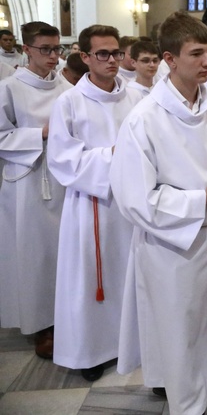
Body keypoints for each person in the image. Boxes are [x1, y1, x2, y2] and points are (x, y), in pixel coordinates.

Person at [112, 11, 207, 415]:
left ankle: (190, 394)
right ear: (169, 58)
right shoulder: (145, 119)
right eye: (197, 54)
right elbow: (134, 197)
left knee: (197, 329)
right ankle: (188, 407)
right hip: (170, 242)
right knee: (176, 329)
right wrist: (200, 199)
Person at [47, 24, 143, 381]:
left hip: (131, 204)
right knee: (89, 280)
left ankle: (128, 342)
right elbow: (62, 159)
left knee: (129, 274)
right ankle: (90, 351)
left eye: (116, 53)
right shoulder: (69, 102)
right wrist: (113, 156)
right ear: (84, 57)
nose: (111, 60)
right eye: (102, 53)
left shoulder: (134, 97)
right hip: (91, 204)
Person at [0, 21, 71, 360]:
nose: (54, 57)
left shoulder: (65, 87)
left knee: (63, 252)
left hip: (62, 178)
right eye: (46, 49)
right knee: (35, 255)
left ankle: (66, 317)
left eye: (57, 49)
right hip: (27, 181)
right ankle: (41, 325)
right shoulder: (10, 88)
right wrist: (39, 134)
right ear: (27, 49)